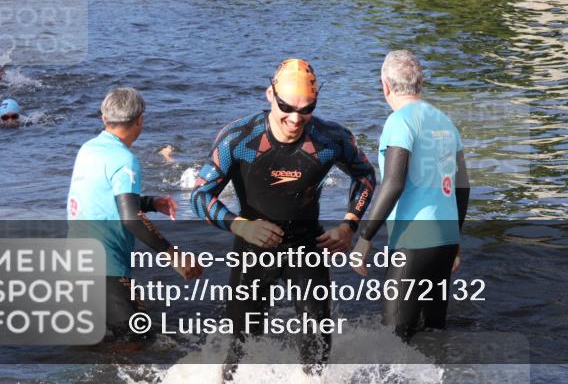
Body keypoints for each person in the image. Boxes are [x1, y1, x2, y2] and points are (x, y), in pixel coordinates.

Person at [191, 58, 376, 369]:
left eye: (307, 109)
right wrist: (241, 227)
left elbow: (366, 176)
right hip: (253, 247)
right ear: (269, 95)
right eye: (286, 107)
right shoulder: (239, 138)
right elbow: (200, 196)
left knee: (317, 348)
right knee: (240, 348)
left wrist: (349, 225)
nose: (295, 118)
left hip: (307, 246)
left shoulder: (331, 138)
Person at [351, 50, 470, 341]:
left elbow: (393, 183)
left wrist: (364, 238)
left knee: (393, 339)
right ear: (421, 83)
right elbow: (463, 186)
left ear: (385, 86)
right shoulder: (445, 121)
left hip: (412, 241)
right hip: (444, 239)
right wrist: (455, 240)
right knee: (433, 334)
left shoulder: (399, 122)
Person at [67, 87, 201, 341]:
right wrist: (173, 255)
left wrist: (150, 202)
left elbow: (101, 197)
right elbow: (130, 218)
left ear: (104, 118)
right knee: (138, 339)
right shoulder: (125, 160)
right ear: (140, 120)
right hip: (104, 267)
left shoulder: (88, 149)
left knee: (96, 346)